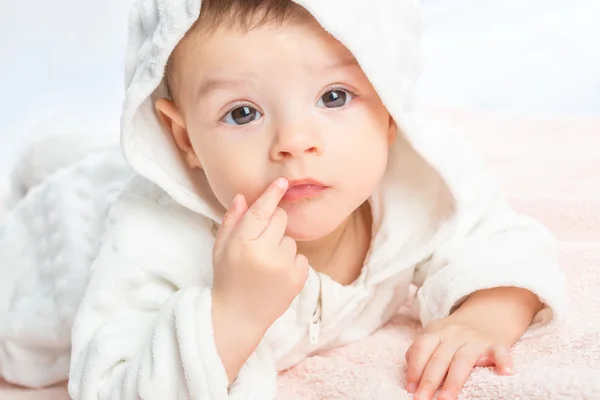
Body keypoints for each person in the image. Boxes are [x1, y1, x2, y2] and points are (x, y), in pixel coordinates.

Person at [0, 1, 566, 399]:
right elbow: (112, 386)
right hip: (64, 239)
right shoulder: (154, 235)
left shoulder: (424, 180)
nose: (295, 142)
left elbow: (498, 238)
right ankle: (51, 160)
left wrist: (488, 312)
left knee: (79, 157)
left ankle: (60, 148)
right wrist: (235, 313)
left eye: (335, 96)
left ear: (390, 109)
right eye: (242, 112)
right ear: (183, 138)